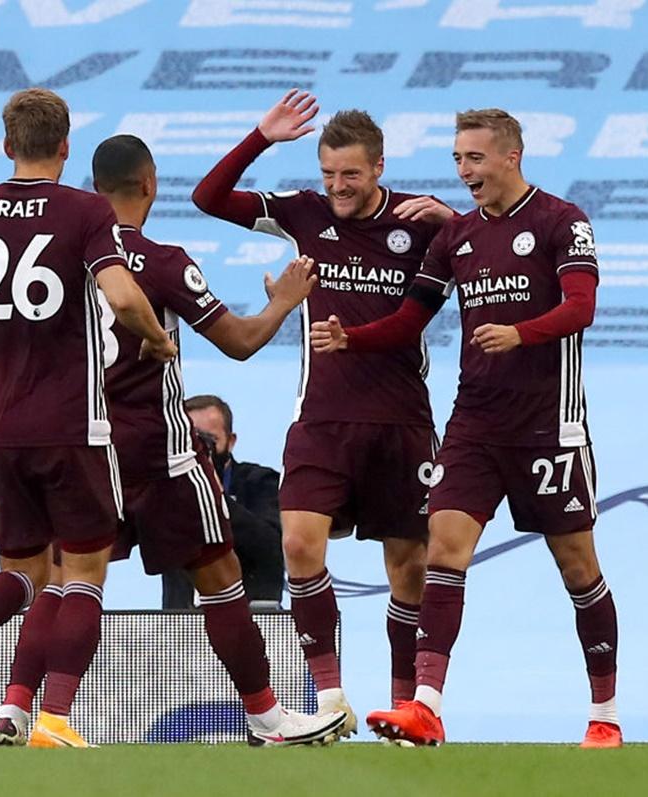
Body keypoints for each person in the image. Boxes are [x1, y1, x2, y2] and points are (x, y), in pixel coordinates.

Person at [0, 134, 346, 747]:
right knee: (220, 576)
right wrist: (285, 302)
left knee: (68, 581)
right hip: (162, 454)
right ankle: (266, 716)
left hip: (81, 446)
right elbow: (237, 341)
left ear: (91, 187)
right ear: (150, 184)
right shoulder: (160, 259)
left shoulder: (60, 257)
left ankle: (18, 710)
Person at [311, 109, 620, 749]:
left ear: (512, 156)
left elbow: (582, 307)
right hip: (474, 423)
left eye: (474, 159)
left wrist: (521, 332)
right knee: (443, 551)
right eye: (457, 159)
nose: (463, 171)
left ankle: (605, 714)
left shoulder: (563, 221)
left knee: (578, 568)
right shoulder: (456, 238)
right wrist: (352, 338)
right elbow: (408, 321)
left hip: (547, 427)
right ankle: (426, 706)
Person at [0, 88, 176, 746]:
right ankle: (55, 718)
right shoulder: (84, 210)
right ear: (65, 147)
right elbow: (121, 295)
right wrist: (156, 336)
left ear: (6, 146)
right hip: (71, 425)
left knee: (24, 572)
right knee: (83, 573)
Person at [192, 90, 454, 734]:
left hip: (402, 422)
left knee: (410, 567)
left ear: (380, 168)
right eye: (329, 173)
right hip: (322, 420)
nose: (337, 186)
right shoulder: (306, 214)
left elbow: (493, 247)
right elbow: (209, 199)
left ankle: (405, 706)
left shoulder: (421, 220)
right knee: (299, 543)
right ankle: (330, 700)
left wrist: (454, 219)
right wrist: (261, 138)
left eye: (351, 175)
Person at [158, 395, 284, 610]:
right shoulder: (168, 491)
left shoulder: (261, 483)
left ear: (231, 440)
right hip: (180, 627)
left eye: (209, 441)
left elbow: (270, 546)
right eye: (191, 442)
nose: (198, 452)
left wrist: (213, 495)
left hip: (255, 619)